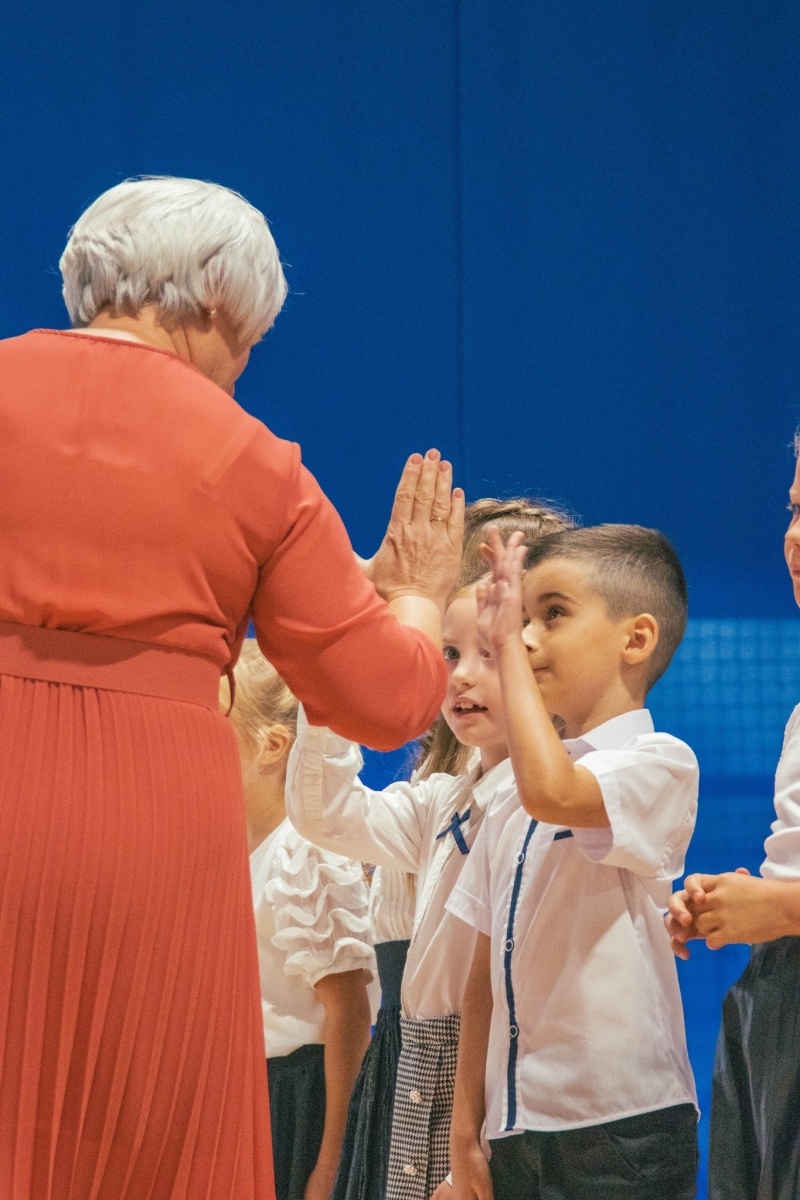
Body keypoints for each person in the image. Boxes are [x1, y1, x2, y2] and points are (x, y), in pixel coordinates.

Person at [0, 175, 462, 1200]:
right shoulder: (252, 461)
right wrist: (420, 597)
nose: (241, 370)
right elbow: (385, 700)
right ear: (213, 302)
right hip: (151, 815)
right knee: (146, 1119)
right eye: (247, 342)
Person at [286, 503, 570, 1200]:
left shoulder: (562, 798)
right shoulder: (445, 796)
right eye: (449, 653)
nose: (462, 677)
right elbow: (325, 811)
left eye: (491, 651)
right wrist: (351, 632)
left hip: (498, 1079)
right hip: (412, 1064)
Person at [449, 524, 700, 1200]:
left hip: (621, 1127)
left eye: (551, 615)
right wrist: (463, 1138)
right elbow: (479, 980)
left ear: (636, 639)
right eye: (522, 619)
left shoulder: (661, 762)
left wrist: (499, 641)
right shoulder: (504, 799)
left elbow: (556, 792)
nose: (526, 638)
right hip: (513, 1128)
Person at [666, 440, 800, 1200]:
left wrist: (774, 907)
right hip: (773, 997)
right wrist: (736, 900)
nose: (792, 535)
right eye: (792, 507)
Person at [223, 642, 375, 1200]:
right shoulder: (236, 848)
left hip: (297, 1098)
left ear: (272, 746)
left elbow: (349, 1011)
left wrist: (331, 1158)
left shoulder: (304, 853)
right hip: (246, 1094)